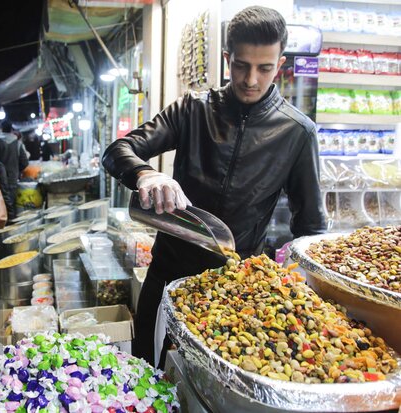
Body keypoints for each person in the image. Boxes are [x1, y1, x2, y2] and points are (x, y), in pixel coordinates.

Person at [102, 6, 326, 368]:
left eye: (265, 68)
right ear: (227, 58)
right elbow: (117, 151)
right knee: (149, 375)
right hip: (166, 278)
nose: (251, 79)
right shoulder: (192, 109)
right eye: (241, 65)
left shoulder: (297, 132)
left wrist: (300, 291)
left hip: (236, 294)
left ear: (280, 65)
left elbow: (312, 227)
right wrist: (147, 174)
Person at [0, 120, 28, 220]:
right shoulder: (17, 144)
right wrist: (17, 170)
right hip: (12, 179)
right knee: (12, 207)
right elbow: (24, 162)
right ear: (12, 129)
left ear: (1, 129)